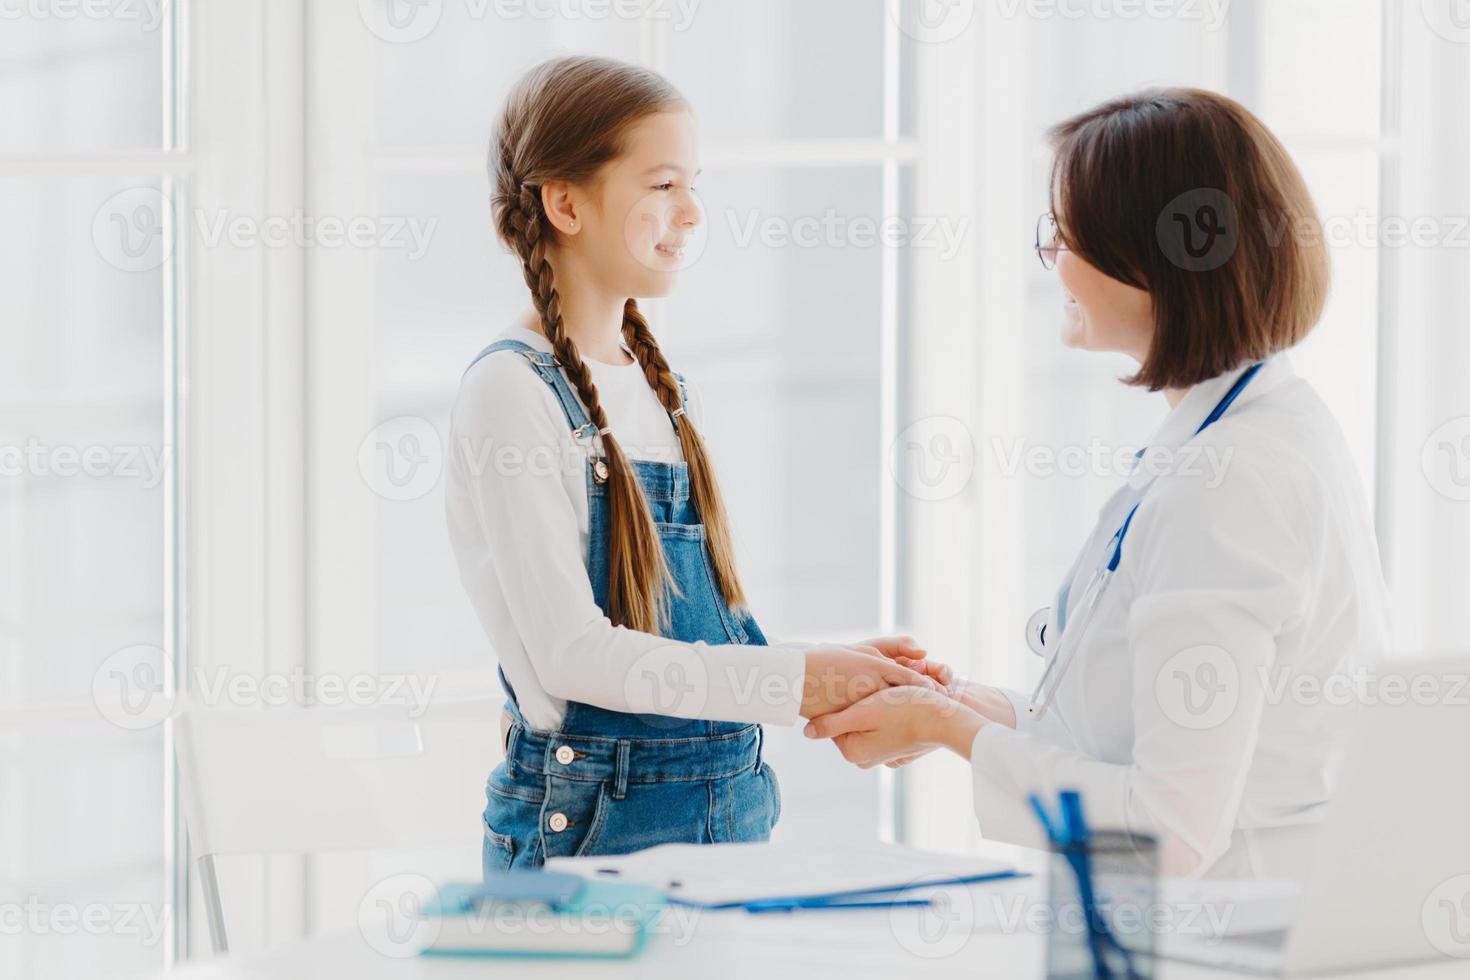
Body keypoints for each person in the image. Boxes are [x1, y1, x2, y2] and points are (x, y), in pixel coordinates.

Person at [805, 89, 1391, 880]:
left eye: (1065, 233)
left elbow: (1167, 832)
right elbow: (1123, 735)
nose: (1053, 261)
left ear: (1159, 259)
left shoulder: (1228, 484)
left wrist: (948, 726)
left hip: (1230, 940)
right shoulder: (1244, 427)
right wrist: (960, 709)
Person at [446, 56, 944, 874]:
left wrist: (834, 673)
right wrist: (793, 682)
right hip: (593, 827)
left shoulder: (662, 386)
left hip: (723, 813)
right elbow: (572, 655)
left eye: (693, 184)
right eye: (663, 185)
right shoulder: (512, 390)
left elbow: (693, 637)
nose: (693, 212)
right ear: (565, 202)